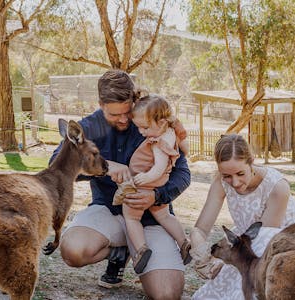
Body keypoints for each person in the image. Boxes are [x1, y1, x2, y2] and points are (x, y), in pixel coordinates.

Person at [52, 69, 191, 299]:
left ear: (134, 100)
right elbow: (57, 169)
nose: (124, 120)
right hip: (108, 211)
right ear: (100, 104)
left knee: (167, 294)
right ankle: (119, 250)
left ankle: (143, 249)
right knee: (73, 251)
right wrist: (104, 167)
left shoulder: (152, 119)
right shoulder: (88, 127)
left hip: (150, 217)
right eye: (114, 115)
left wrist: (156, 196)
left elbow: (183, 175)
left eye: (127, 112)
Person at [189, 134, 295, 300]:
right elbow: (200, 229)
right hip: (247, 243)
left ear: (251, 161)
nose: (235, 182)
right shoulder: (221, 182)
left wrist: (224, 260)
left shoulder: (277, 187)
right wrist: (202, 255)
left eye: (240, 173)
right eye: (227, 176)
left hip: (282, 245)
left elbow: (264, 239)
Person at [111, 94, 191, 275]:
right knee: (164, 216)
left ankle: (141, 250)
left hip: (145, 183)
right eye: (139, 128)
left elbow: (159, 166)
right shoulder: (171, 132)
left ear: (162, 123)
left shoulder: (158, 142)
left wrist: (145, 178)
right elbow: (185, 147)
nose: (141, 132)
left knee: (131, 217)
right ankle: (183, 242)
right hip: (159, 184)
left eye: (145, 128)